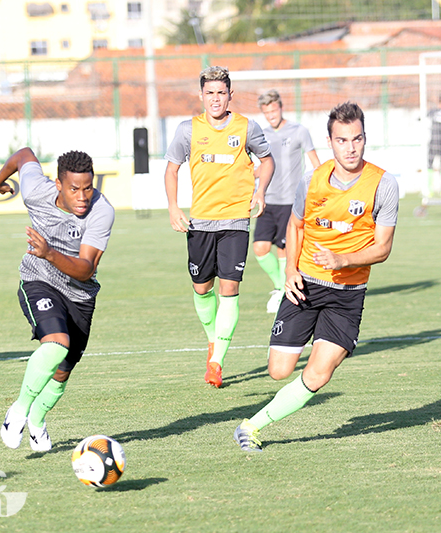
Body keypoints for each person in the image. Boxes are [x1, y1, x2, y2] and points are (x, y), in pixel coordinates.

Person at [234, 102, 399, 452]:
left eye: (357, 139)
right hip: (306, 285)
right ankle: (310, 334)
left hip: (347, 295)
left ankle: (251, 426)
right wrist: (291, 269)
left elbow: (383, 248)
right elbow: (296, 226)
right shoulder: (312, 180)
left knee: (318, 374)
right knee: (279, 370)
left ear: (365, 139)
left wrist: (344, 258)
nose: (350, 147)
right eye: (342, 140)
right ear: (330, 141)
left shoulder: (383, 184)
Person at [0, 147, 115, 452]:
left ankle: (37, 420)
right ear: (58, 185)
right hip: (39, 280)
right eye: (75, 189)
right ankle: (17, 412)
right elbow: (23, 155)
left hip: (80, 295)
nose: (83, 196)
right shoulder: (37, 191)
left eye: (88, 187)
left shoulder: (102, 211)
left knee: (62, 370)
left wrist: (50, 251)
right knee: (56, 343)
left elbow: (86, 270)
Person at [164, 66, 275, 388]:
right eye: (210, 93)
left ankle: (216, 361)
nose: (216, 99)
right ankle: (214, 339)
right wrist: (173, 207)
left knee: (229, 288)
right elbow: (171, 170)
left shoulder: (246, 127)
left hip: (236, 222)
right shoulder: (188, 130)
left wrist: (260, 191)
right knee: (202, 288)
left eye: (221, 93)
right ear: (201, 96)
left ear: (230, 95)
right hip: (200, 221)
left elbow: (267, 160)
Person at [254, 90, 321, 313]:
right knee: (260, 248)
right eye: (267, 112)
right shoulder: (261, 134)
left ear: (280, 108)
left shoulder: (299, 131)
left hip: (290, 202)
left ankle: (283, 290)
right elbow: (261, 167)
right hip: (267, 200)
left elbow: (315, 163)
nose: (271, 115)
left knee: (284, 249)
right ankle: (278, 286)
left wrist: (319, 189)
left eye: (274, 110)